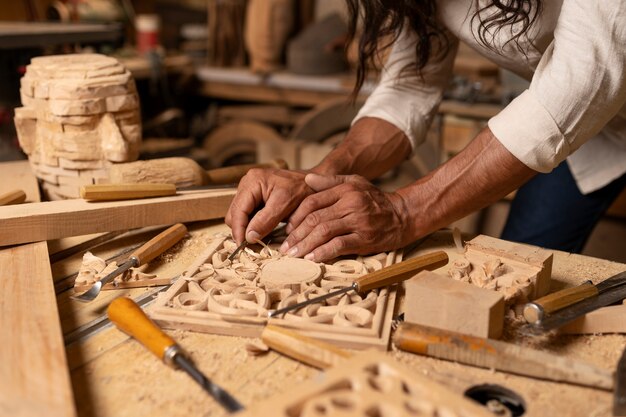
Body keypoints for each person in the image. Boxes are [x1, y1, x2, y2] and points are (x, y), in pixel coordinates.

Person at [226, 0, 626, 262]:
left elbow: (581, 82)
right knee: (513, 270)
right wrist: (317, 179)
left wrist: (404, 212)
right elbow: (410, 86)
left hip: (582, 103)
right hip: (596, 133)